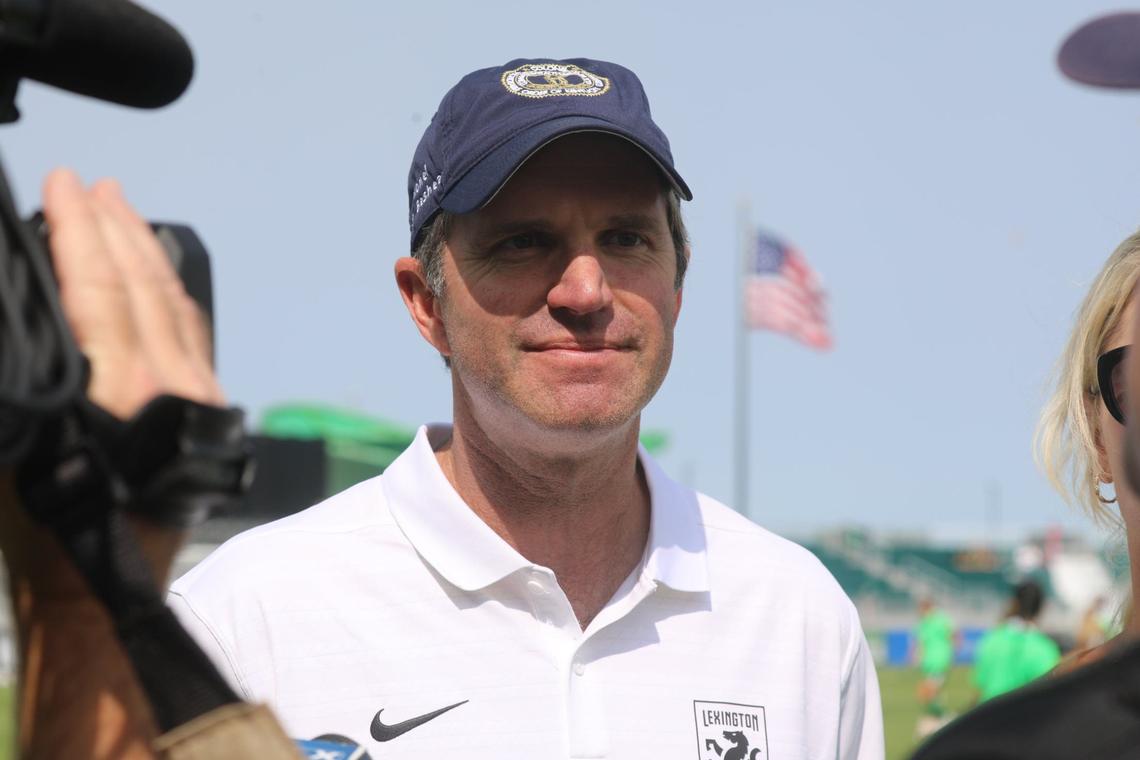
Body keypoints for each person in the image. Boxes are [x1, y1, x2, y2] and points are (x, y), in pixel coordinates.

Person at [165, 58, 884, 758]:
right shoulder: (244, 621)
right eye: (523, 242)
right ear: (426, 303)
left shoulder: (799, 623)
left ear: (677, 289)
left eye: (626, 239)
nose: (585, 291)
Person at [970, 580, 1060, 703]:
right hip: (1025, 714)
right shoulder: (1045, 648)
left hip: (990, 712)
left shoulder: (992, 638)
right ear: (1040, 608)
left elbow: (980, 685)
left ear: (1014, 603)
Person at [912, 598, 955, 737]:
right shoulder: (927, 622)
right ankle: (940, 717)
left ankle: (943, 718)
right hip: (931, 662)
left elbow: (951, 635)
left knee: (929, 691)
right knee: (932, 692)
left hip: (938, 660)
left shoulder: (937, 620)